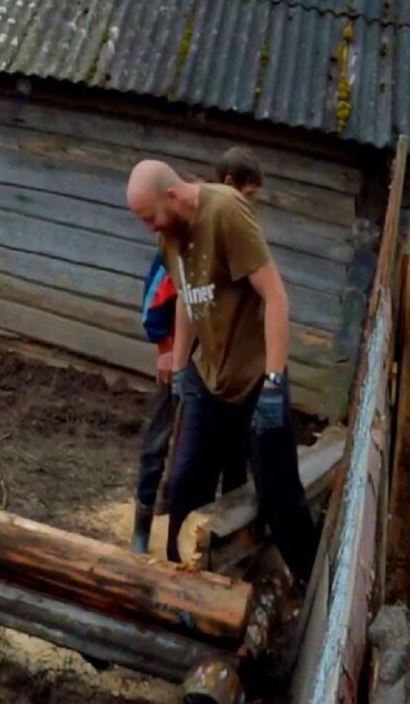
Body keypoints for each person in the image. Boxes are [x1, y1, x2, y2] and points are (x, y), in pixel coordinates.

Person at [125, 158, 319, 585]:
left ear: (172, 196)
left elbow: (275, 296)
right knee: (184, 486)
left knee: (278, 496)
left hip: (254, 381)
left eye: (149, 217)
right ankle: (181, 591)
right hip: (207, 380)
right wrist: (180, 367)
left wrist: (274, 382)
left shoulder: (225, 211)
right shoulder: (170, 236)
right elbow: (185, 298)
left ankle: (314, 585)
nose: (148, 227)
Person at [130, 147, 263, 553]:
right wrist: (166, 348)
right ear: (229, 184)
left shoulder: (228, 224)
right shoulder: (178, 228)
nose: (250, 203)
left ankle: (220, 535)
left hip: (218, 368)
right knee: (161, 440)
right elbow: (158, 296)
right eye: (248, 194)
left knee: (227, 454)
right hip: (180, 358)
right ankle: (143, 523)